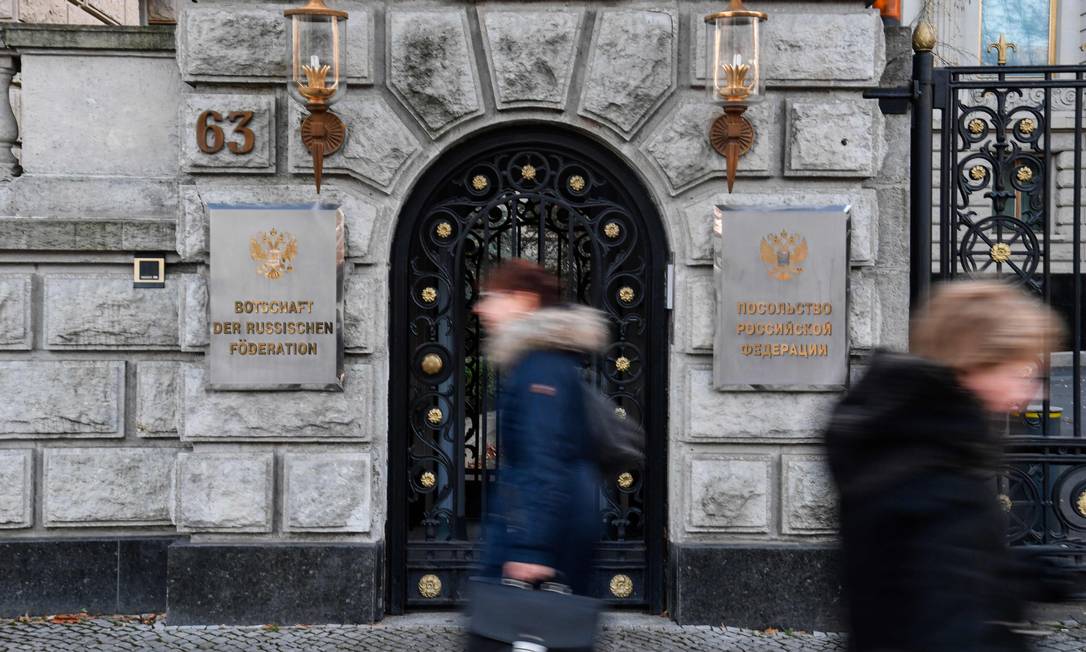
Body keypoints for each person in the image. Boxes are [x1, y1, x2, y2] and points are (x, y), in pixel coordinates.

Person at [824, 280, 1071, 652]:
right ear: (975, 366)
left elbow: (940, 577)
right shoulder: (937, 473)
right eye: (1022, 371)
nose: (1035, 390)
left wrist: (1024, 575)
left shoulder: (912, 441)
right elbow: (947, 624)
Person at [467, 259, 607, 652]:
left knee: (511, 636)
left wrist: (532, 549)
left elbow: (543, 459)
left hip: (543, 540)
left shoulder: (541, 367)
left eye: (492, 297)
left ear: (524, 301)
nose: (481, 308)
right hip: (546, 531)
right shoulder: (539, 361)